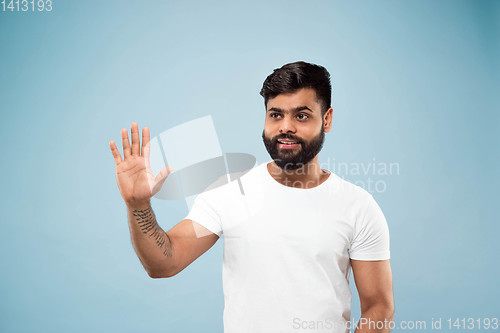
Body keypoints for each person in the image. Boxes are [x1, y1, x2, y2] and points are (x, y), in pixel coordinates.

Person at [109, 61, 394, 333]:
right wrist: (138, 205)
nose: (286, 127)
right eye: (276, 114)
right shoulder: (229, 191)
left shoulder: (358, 206)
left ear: (327, 119)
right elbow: (164, 263)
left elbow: (378, 307)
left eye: (302, 115)